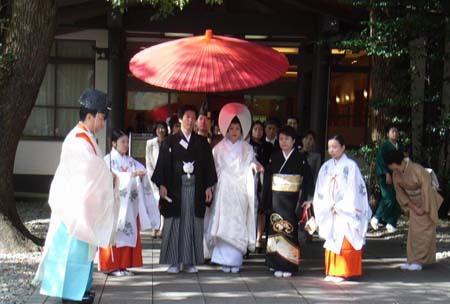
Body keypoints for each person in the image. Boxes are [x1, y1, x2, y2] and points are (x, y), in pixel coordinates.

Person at [33, 89, 117, 303]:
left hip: (81, 205)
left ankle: (80, 289)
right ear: (90, 116)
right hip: (73, 208)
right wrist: (109, 176)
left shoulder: (85, 137)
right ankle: (72, 294)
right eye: (101, 118)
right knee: (72, 252)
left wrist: (106, 175)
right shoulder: (77, 140)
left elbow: (94, 169)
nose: (102, 123)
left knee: (82, 252)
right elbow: (90, 169)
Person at [151, 104, 217, 274]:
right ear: (180, 119)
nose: (190, 120)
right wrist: (162, 185)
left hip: (195, 187)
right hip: (175, 188)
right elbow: (163, 165)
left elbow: (208, 167)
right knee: (174, 223)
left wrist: (209, 187)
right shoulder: (169, 141)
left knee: (193, 223)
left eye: (192, 117)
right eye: (186, 117)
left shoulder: (202, 142)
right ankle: (173, 261)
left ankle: (189, 261)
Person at [204, 103, 261, 273]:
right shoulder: (218, 148)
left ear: (242, 130)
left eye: (237, 128)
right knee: (223, 222)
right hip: (223, 190)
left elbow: (252, 162)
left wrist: (254, 166)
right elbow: (212, 169)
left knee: (237, 222)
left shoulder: (247, 148)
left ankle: (235, 259)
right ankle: (222, 259)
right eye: (231, 128)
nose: (234, 131)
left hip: (240, 189)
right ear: (226, 130)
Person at [99, 129, 160, 277]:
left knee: (128, 232)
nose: (126, 145)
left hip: (130, 207)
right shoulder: (108, 161)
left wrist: (141, 175)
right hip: (114, 205)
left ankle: (123, 265)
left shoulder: (130, 161)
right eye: (123, 142)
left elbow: (142, 170)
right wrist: (130, 175)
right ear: (114, 143)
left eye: (127, 142)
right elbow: (108, 178)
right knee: (115, 232)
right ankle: (111, 266)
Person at [313, 135, 371, 282]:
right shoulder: (326, 167)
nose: (331, 150)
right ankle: (332, 271)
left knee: (345, 240)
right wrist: (327, 205)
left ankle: (344, 271)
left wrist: (340, 207)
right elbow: (321, 189)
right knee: (332, 239)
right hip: (330, 210)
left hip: (345, 211)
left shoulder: (351, 166)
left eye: (335, 147)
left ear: (343, 147)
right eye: (329, 147)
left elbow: (354, 191)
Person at [262, 126, 314, 278]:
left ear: (293, 141)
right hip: (276, 197)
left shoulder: (300, 158)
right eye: (281, 139)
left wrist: (306, 199)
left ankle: (289, 264)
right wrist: (266, 201)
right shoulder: (275, 156)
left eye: (287, 139)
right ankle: (274, 263)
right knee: (275, 229)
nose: (283, 142)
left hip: (292, 199)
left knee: (289, 231)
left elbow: (308, 180)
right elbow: (267, 178)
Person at [384, 149, 443, 271]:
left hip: (427, 202)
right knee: (413, 234)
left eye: (392, 166)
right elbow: (400, 193)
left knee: (424, 234)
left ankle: (419, 261)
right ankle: (412, 260)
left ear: (396, 162)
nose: (392, 170)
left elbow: (427, 189)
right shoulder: (396, 174)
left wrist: (424, 208)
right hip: (413, 204)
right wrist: (412, 206)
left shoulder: (417, 170)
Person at [371, 126, 403, 233]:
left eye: (396, 131)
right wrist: (386, 174)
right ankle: (376, 217)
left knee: (398, 199)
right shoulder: (385, 146)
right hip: (386, 176)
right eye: (392, 131)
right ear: (388, 134)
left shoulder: (400, 146)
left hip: (397, 176)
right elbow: (380, 161)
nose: (395, 133)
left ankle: (391, 223)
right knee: (388, 197)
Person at [248, 121, 273, 251]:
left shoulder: (268, 146)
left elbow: (271, 162)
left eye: (260, 129)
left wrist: (264, 169)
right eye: (255, 129)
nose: (258, 132)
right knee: (250, 208)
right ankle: (249, 238)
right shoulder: (247, 145)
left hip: (264, 178)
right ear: (251, 130)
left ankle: (258, 239)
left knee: (261, 210)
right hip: (250, 179)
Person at [146, 121, 168, 238]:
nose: (161, 130)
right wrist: (153, 177)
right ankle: (154, 227)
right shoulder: (150, 143)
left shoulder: (168, 142)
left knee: (163, 202)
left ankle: (162, 228)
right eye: (159, 128)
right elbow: (148, 162)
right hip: (153, 178)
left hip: (165, 178)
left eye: (163, 128)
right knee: (154, 202)